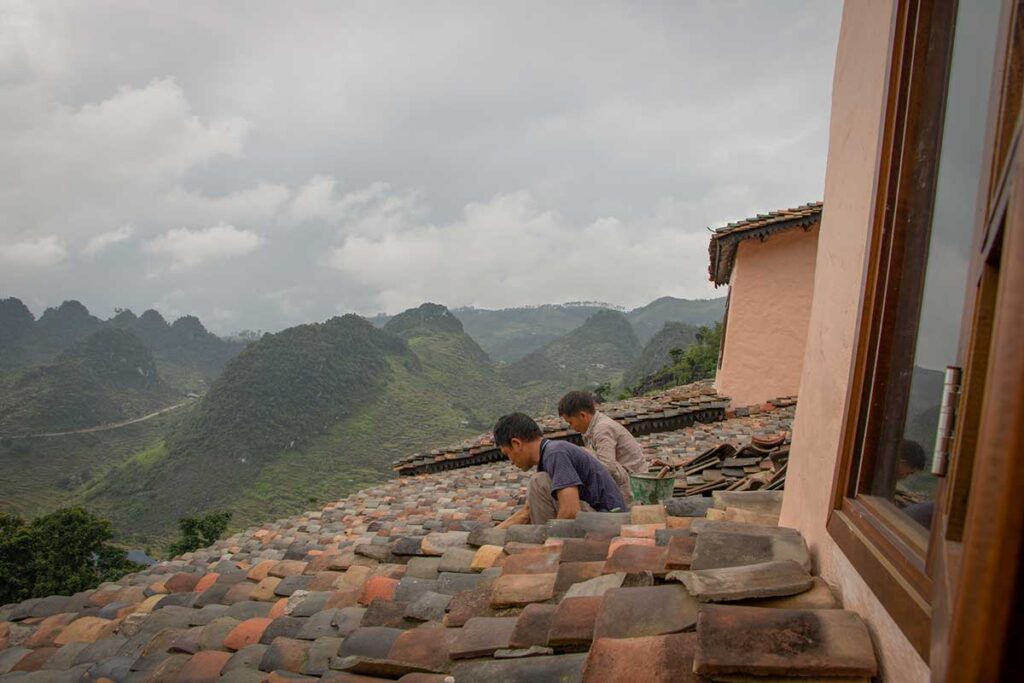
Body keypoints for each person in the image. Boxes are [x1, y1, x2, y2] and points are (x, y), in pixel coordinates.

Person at [493, 412, 626, 527]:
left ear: (516, 444)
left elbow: (570, 511)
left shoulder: (555, 453)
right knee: (539, 483)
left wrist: (549, 541)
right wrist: (491, 533)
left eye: (507, 454)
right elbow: (526, 512)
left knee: (538, 482)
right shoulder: (547, 456)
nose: (510, 461)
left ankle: (546, 542)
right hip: (600, 518)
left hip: (609, 521)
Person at [558, 390, 647, 504]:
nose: (571, 427)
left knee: (582, 454)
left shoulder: (602, 429)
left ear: (582, 415)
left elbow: (607, 467)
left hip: (633, 486)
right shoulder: (591, 428)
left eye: (571, 422)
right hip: (623, 480)